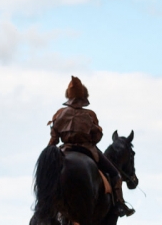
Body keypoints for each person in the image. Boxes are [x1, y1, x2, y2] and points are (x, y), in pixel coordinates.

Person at [47, 76, 134, 217]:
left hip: (65, 149)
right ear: (83, 97)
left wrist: (49, 149)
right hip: (87, 149)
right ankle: (119, 204)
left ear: (68, 96)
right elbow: (97, 137)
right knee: (115, 174)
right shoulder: (90, 114)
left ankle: (44, 202)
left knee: (47, 174)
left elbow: (54, 138)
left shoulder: (59, 114)